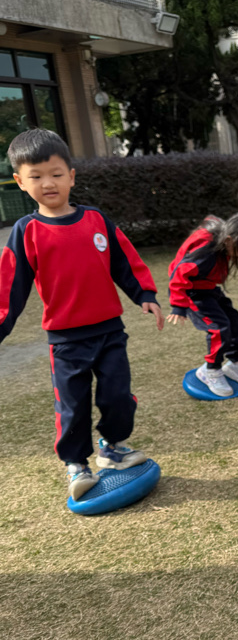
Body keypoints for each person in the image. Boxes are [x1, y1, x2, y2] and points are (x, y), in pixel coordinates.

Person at [0, 128, 163, 499]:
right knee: (72, 408)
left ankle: (113, 448)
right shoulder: (26, 231)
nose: (48, 183)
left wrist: (144, 294)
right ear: (20, 182)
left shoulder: (96, 220)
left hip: (110, 332)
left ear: (71, 176)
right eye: (36, 176)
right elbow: (10, 288)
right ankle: (76, 464)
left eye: (56, 174)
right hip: (66, 341)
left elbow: (124, 260)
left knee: (118, 396)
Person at [167, 213, 238, 396]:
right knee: (219, 327)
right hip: (192, 292)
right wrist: (178, 305)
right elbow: (179, 274)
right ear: (228, 240)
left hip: (208, 287)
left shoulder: (223, 243)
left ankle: (236, 363)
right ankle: (210, 370)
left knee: (233, 318)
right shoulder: (206, 252)